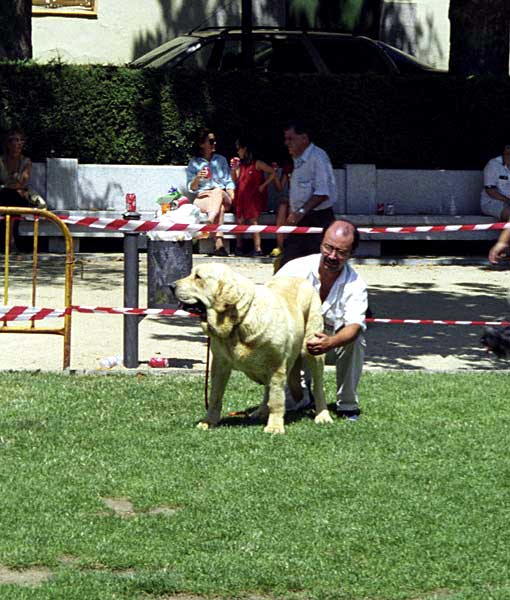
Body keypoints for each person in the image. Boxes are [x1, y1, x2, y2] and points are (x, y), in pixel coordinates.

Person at [276, 219, 368, 420]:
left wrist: (330, 342)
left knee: (356, 340)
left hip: (331, 345)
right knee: (293, 405)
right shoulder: (294, 269)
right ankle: (302, 395)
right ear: (321, 243)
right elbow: (270, 303)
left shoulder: (356, 284)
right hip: (294, 344)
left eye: (341, 252)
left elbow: (354, 325)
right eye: (328, 248)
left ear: (351, 254)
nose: (332, 256)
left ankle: (347, 405)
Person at [279, 120, 336, 268]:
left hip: (318, 219)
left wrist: (300, 212)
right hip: (301, 219)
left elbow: (322, 192)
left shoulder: (318, 157)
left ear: (304, 138)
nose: (287, 143)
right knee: (287, 265)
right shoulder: (298, 159)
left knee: (318, 267)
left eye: (290, 138)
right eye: (286, 139)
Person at [186, 128, 235, 257]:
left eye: (214, 141)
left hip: (222, 194)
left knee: (217, 191)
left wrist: (232, 195)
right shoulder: (194, 162)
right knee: (220, 209)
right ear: (202, 144)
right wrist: (197, 177)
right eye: (211, 141)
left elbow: (229, 182)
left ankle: (209, 221)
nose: (214, 144)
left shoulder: (221, 160)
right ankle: (219, 245)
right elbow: (192, 188)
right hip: (204, 197)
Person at [231, 136, 277, 257]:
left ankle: (257, 248)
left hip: (253, 197)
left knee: (253, 221)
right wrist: (233, 169)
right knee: (240, 220)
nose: (237, 151)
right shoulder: (240, 165)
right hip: (241, 196)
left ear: (245, 149)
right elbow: (235, 179)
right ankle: (239, 246)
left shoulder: (257, 163)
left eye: (239, 148)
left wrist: (263, 185)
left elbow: (272, 172)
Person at [269, 159, 292, 260]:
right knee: (282, 207)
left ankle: (290, 246)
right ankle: (280, 246)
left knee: (292, 211)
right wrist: (274, 175)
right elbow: (280, 187)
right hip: (290, 198)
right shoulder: (289, 167)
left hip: (304, 201)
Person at [480, 144, 510, 222]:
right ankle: (505, 234)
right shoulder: (493, 164)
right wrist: (507, 201)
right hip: (492, 202)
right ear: (506, 149)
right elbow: (490, 190)